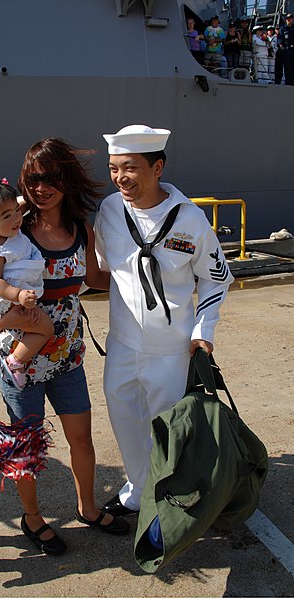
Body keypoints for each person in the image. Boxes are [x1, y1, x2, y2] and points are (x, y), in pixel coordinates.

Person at [0, 137, 130, 555]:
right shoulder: (14, 231)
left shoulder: (79, 230)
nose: (43, 187)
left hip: (67, 356)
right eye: (34, 179)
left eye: (52, 178)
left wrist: (146, 275)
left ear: (67, 181)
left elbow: (94, 278)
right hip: (23, 359)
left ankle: (87, 508)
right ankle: (33, 519)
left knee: (81, 439)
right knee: (27, 446)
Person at [94, 124, 234, 516]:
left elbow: (217, 277)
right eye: (113, 168)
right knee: (125, 421)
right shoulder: (109, 211)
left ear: (157, 168)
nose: (121, 178)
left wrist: (203, 331)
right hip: (122, 342)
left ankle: (175, 495)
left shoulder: (189, 219)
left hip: (171, 348)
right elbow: (105, 265)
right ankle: (139, 489)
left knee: (170, 428)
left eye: (130, 168)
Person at [0, 179, 54, 389]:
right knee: (45, 328)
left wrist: (26, 200)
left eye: (16, 211)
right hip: (9, 298)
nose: (16, 218)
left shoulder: (5, 229)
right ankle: (15, 362)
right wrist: (18, 295)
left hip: (11, 299)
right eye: (7, 215)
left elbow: (23, 203)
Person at [278, 13, 294, 85]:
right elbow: (280, 40)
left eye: (290, 19)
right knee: (287, 66)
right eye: (288, 19)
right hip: (287, 50)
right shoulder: (283, 28)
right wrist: (281, 46)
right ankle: (288, 82)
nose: (289, 20)